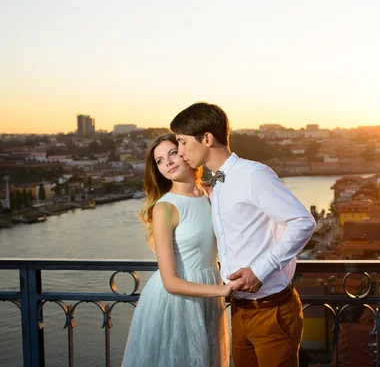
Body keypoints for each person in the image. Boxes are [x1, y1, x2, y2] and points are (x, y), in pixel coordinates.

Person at [170, 102, 316, 367]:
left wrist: (261, 270)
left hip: (272, 310)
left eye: (182, 142)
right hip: (239, 309)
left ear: (206, 138)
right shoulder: (218, 183)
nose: (179, 153)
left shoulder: (253, 174)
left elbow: (302, 222)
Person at [122, 133, 230, 367]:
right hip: (176, 302)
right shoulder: (165, 208)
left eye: (172, 153)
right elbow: (170, 281)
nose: (168, 162)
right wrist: (222, 291)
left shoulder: (210, 194)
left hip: (208, 294)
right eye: (159, 160)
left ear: (185, 152)